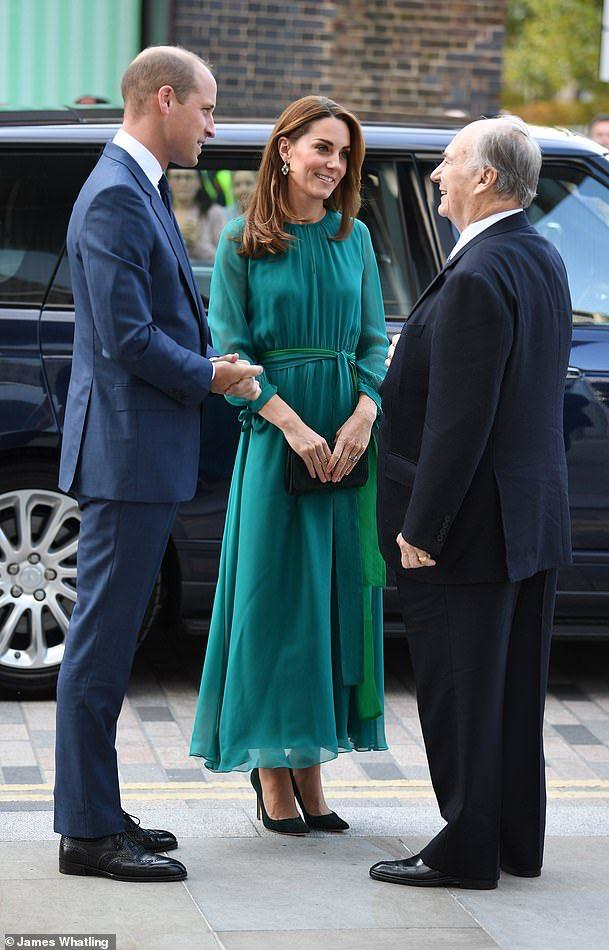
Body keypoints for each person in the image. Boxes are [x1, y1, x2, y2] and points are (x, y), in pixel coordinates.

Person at [54, 46, 262, 884]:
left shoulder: (134, 185)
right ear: (165, 99)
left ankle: (95, 811)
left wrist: (212, 356)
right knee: (100, 647)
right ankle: (88, 835)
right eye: (207, 110)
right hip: (127, 456)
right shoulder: (113, 195)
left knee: (114, 640)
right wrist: (211, 374)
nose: (213, 128)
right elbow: (126, 339)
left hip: (141, 451)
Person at [369, 116, 572, 889]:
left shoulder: (481, 272)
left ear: (485, 178)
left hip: (467, 528)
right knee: (511, 693)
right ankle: (515, 842)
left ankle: (464, 850)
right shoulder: (538, 256)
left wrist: (423, 525)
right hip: (527, 518)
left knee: (460, 694)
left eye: (450, 162)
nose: (436, 176)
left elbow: (462, 418)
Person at [190, 96, 388, 833]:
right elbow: (232, 355)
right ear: (284, 151)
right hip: (277, 442)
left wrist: (364, 414)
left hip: (345, 442)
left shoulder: (355, 238)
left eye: (343, 155)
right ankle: (272, 770)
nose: (333, 166)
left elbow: (374, 342)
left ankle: (311, 764)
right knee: (276, 605)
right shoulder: (242, 241)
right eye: (321, 149)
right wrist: (292, 425)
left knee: (331, 604)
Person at [167, 168, 225, 262]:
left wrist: (196, 244)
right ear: (168, 181)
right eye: (177, 177)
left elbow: (223, 259)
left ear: (199, 182)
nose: (183, 182)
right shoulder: (160, 210)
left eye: (188, 177)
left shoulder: (214, 213)